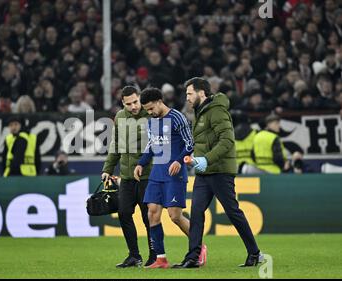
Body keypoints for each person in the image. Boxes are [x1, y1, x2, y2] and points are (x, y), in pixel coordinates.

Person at [174, 77, 262, 268]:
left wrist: (206, 159)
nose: (187, 98)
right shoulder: (201, 112)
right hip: (204, 172)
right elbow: (204, 142)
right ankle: (193, 257)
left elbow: (227, 141)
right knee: (196, 213)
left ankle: (254, 253)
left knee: (232, 212)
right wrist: (196, 159)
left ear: (201, 93)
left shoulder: (217, 110)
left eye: (189, 93)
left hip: (220, 171)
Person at [134, 87, 207, 269]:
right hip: (156, 174)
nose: (150, 112)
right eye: (147, 110)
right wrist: (141, 163)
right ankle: (161, 258)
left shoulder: (177, 117)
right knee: (152, 213)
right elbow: (151, 145)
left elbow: (190, 143)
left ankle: (199, 247)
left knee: (175, 216)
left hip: (174, 174)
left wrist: (178, 161)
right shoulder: (152, 122)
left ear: (160, 101)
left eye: (151, 108)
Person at [101, 86, 156, 268]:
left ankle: (154, 255)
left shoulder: (151, 115)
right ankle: (134, 256)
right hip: (126, 176)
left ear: (139, 98)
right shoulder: (120, 117)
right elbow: (116, 144)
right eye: (129, 103)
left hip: (147, 175)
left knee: (148, 217)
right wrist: (108, 168)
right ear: (123, 103)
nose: (133, 106)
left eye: (135, 102)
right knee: (124, 213)